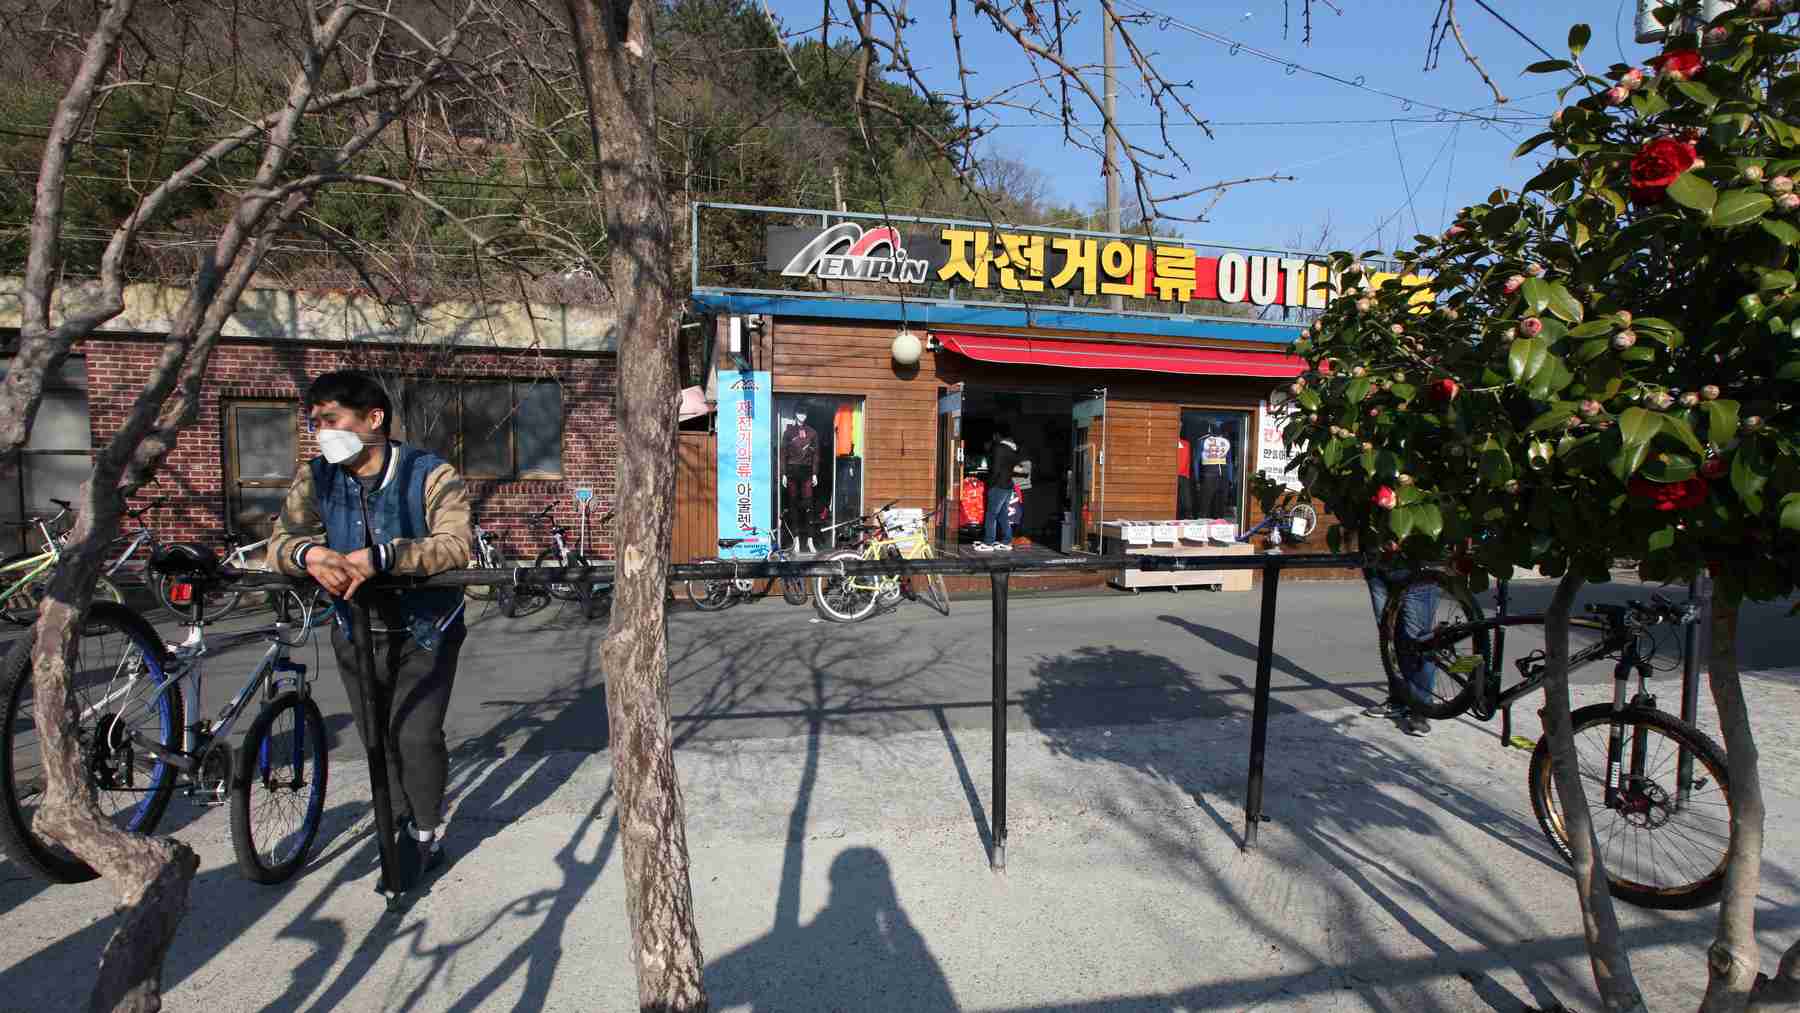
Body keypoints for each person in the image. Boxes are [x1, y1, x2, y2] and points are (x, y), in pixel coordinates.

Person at [268, 370, 474, 884]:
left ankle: (423, 834)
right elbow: (280, 540)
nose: (321, 431)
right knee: (376, 736)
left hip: (427, 627)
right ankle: (400, 820)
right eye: (315, 422)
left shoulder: (430, 473)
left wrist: (383, 557)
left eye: (331, 419)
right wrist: (308, 553)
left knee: (415, 734)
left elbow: (455, 545)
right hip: (356, 629)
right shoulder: (315, 478)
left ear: (373, 419)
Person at [976, 424, 1022, 552]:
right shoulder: (1012, 449)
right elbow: (1013, 467)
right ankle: (1007, 541)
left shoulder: (999, 448)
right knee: (1002, 515)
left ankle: (989, 542)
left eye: (994, 435)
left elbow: (995, 469)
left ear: (997, 435)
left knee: (991, 514)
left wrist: (990, 484)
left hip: (998, 485)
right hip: (1008, 485)